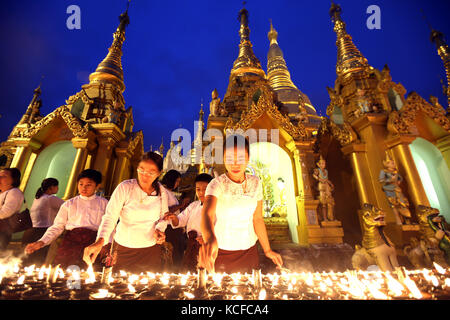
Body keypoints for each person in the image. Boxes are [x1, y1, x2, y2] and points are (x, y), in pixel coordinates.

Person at [199, 134, 283, 273]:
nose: (235, 164)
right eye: (230, 158)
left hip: (249, 250)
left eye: (241, 159)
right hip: (220, 251)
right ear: (223, 159)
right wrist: (210, 240)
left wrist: (267, 250)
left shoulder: (256, 183)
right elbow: (207, 215)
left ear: (248, 159)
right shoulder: (217, 184)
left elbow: (257, 219)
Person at [83, 151, 170, 274]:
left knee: (148, 287)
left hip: (150, 248)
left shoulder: (161, 192)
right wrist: (100, 241)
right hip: (124, 248)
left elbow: (164, 217)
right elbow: (110, 217)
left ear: (159, 173)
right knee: (119, 286)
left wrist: (159, 229)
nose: (145, 176)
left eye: (151, 173)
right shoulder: (125, 187)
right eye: (141, 170)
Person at [25, 169, 108, 268]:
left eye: (88, 185)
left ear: (97, 186)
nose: (83, 188)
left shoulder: (104, 203)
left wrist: (106, 245)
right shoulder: (69, 204)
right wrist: (42, 241)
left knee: (89, 275)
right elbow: (57, 226)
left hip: (93, 244)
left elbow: (109, 226)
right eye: (81, 184)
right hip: (70, 243)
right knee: (64, 274)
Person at [165, 173, 213, 272]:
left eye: (205, 189)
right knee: (190, 274)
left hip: (207, 246)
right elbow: (180, 220)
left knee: (204, 273)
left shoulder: (217, 207)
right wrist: (174, 217)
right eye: (198, 189)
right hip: (191, 244)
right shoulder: (194, 205)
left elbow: (220, 227)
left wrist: (207, 238)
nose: (201, 192)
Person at [22, 178, 64, 265]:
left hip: (30, 231)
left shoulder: (38, 198)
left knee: (28, 261)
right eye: (57, 186)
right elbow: (68, 206)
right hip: (42, 232)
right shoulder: (50, 198)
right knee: (39, 261)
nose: (58, 188)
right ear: (52, 187)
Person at [161, 169, 190, 271]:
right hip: (169, 228)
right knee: (171, 255)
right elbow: (166, 211)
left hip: (175, 228)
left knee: (178, 252)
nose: (178, 184)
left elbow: (176, 210)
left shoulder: (170, 193)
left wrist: (182, 206)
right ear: (171, 179)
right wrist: (180, 205)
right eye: (177, 181)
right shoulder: (163, 191)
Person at [0, 168, 25, 250]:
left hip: (2, 231)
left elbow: (6, 212)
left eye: (4, 176)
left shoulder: (14, 192)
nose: (0, 178)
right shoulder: (2, 193)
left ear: (13, 180)